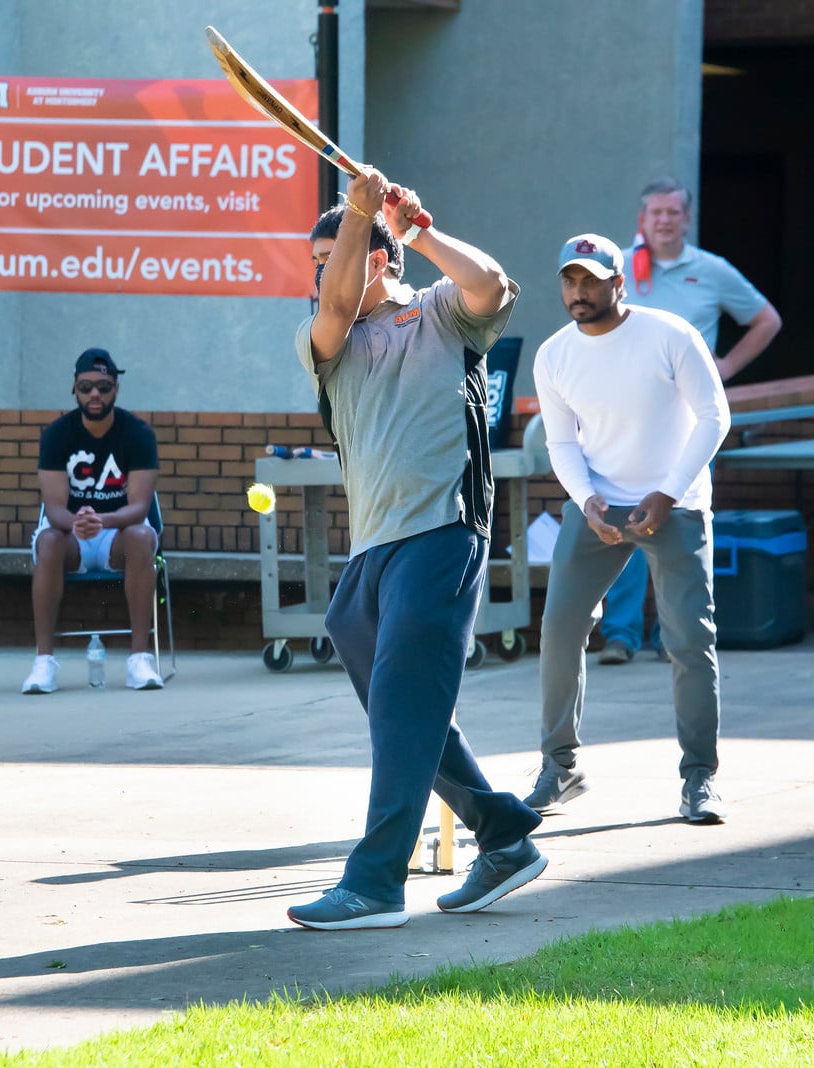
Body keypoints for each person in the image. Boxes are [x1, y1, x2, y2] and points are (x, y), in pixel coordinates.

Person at [284, 171, 545, 931]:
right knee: (411, 713)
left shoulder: (440, 316)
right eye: (316, 261)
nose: (323, 274)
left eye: (339, 253)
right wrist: (361, 215)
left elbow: (490, 283)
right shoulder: (325, 340)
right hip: (372, 549)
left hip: (443, 529)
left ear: (382, 259)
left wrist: (415, 227)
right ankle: (503, 836)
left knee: (403, 704)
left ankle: (374, 883)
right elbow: (334, 305)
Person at [528, 233, 731, 821]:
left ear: (620, 282)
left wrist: (667, 493)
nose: (578, 291)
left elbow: (715, 417)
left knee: (689, 640)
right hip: (598, 506)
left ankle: (700, 777)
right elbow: (562, 441)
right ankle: (559, 769)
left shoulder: (671, 335)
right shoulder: (554, 354)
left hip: (677, 503)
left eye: (591, 279)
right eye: (570, 280)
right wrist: (587, 501)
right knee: (560, 629)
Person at [596, 178, 782, 667]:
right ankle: (620, 635)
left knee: (679, 524)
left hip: (689, 421)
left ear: (686, 217)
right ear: (642, 220)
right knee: (625, 523)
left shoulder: (711, 270)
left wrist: (727, 367)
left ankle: (671, 636)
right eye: (655, 212)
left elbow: (767, 320)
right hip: (627, 418)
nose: (664, 220)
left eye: (673, 212)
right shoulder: (620, 270)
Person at [22, 348, 164, 694]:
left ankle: (139, 659)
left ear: (116, 388)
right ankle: (44, 662)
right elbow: (53, 510)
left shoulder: (138, 433)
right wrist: (77, 523)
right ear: (74, 389)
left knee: (141, 537)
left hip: (117, 533)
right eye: (86, 387)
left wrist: (102, 519)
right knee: (48, 540)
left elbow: (141, 507)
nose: (94, 394)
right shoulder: (57, 434)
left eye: (103, 386)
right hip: (72, 535)